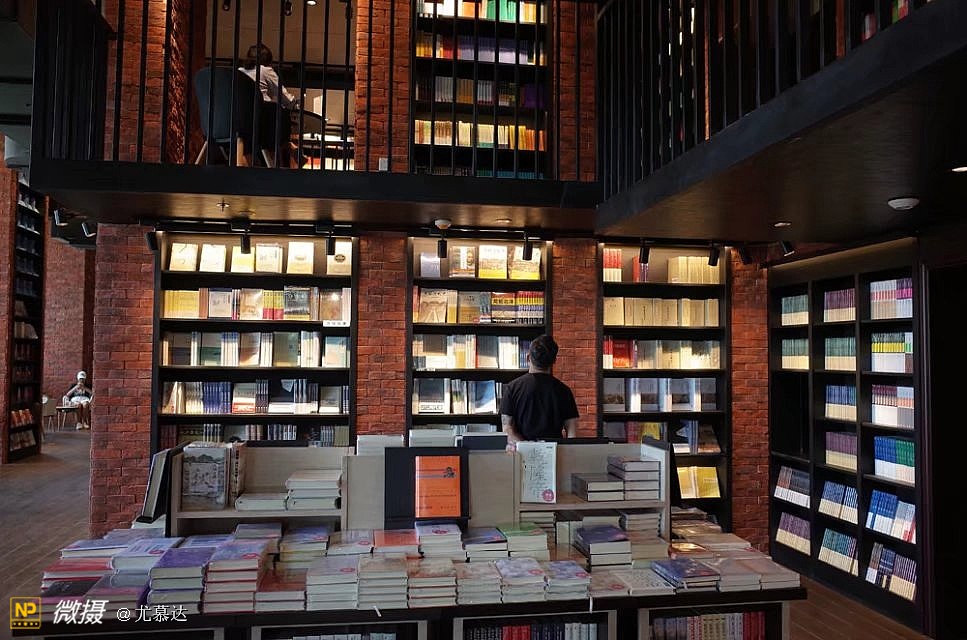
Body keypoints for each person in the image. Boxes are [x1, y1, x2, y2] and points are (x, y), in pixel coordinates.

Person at [500, 335, 579, 448]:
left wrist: (528, 448)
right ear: (554, 361)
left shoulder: (512, 388)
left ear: (528, 358)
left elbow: (507, 430)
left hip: (521, 454)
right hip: (555, 454)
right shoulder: (564, 391)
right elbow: (572, 433)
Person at [239, 44, 297, 167]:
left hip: (239, 123)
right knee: (280, 114)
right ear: (268, 60)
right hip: (262, 122)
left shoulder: (238, 72)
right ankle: (286, 150)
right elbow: (286, 99)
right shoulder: (265, 70)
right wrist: (294, 103)